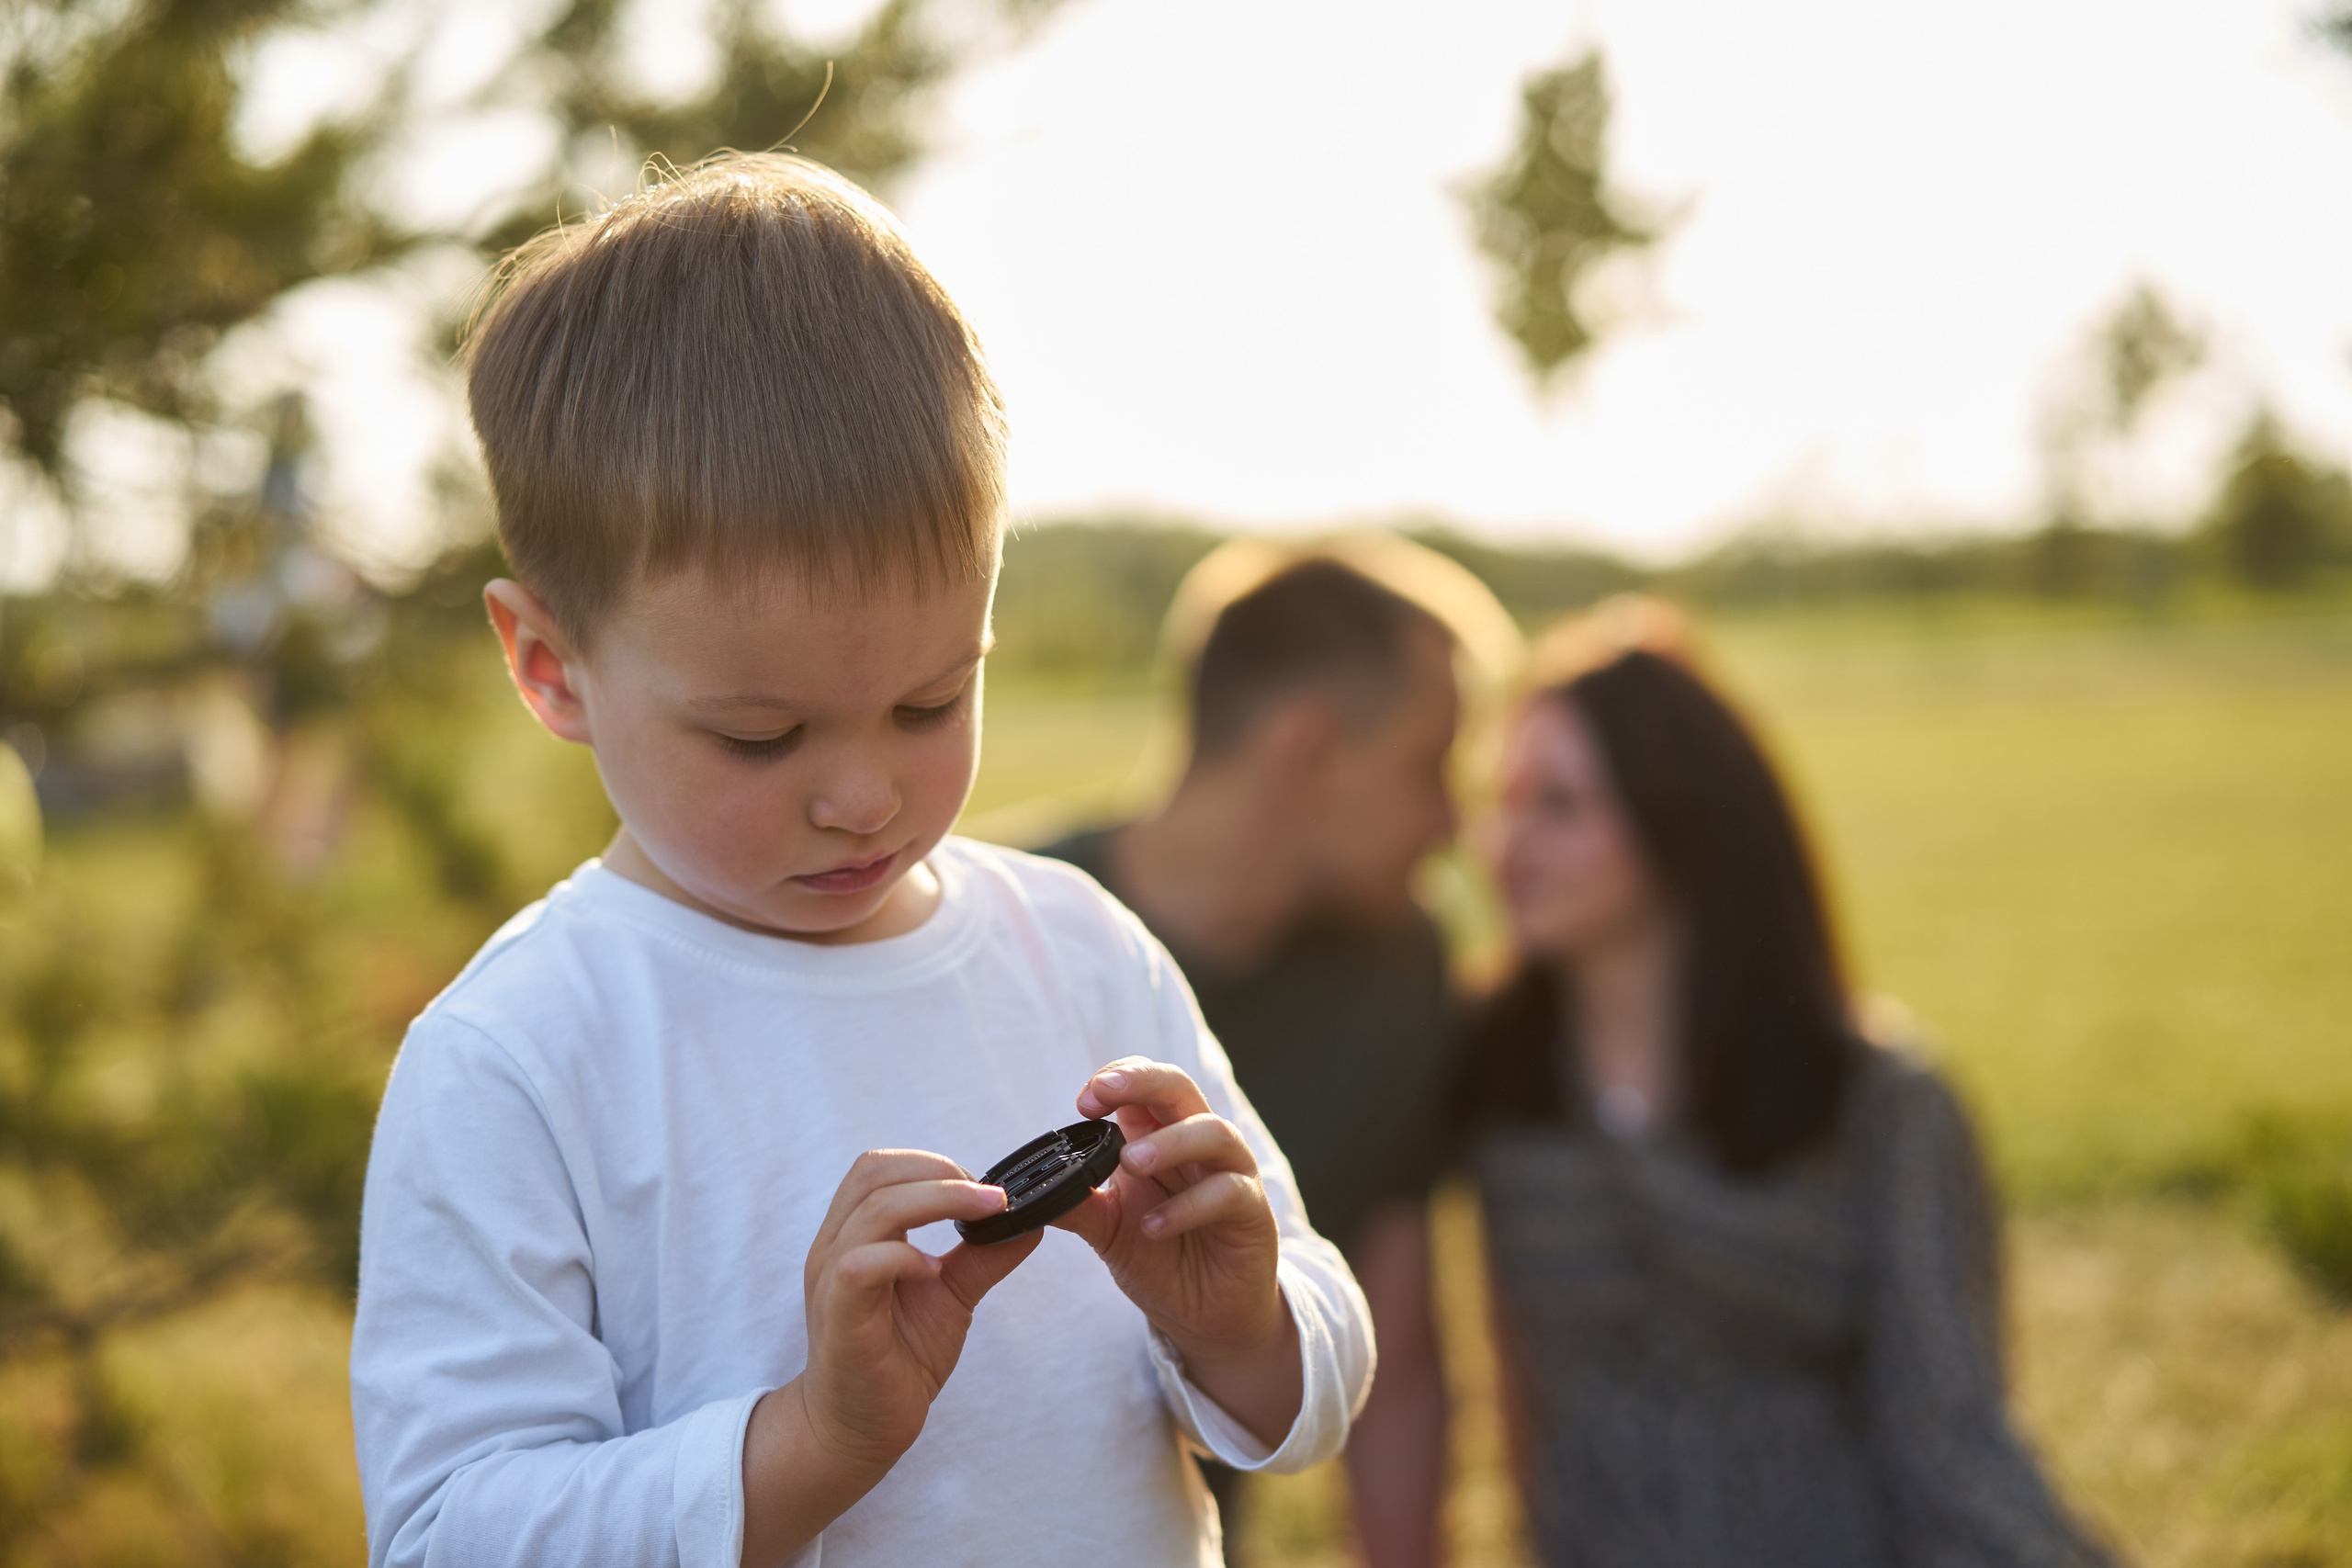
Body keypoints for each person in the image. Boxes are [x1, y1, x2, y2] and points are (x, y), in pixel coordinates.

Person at [347, 154, 1372, 1568]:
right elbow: (450, 1529)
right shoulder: (522, 1056)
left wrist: (1242, 1321)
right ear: (550, 664)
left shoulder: (1078, 948)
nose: (865, 795)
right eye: (761, 735)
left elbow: (1311, 1347)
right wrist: (806, 1443)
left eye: (931, 701)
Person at [1452, 599, 2112, 1568]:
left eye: (1558, 804)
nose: (1506, 843)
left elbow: (1952, 1442)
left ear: (1679, 821)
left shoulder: (1887, 1105)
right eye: (1499, 800)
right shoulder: (1494, 1078)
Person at [1043, 541, 1515, 1567]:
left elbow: (1399, 1345)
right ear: (1303, 754)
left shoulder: (1399, 968)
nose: (1453, 825)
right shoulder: (1011, 928)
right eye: (1429, 767)